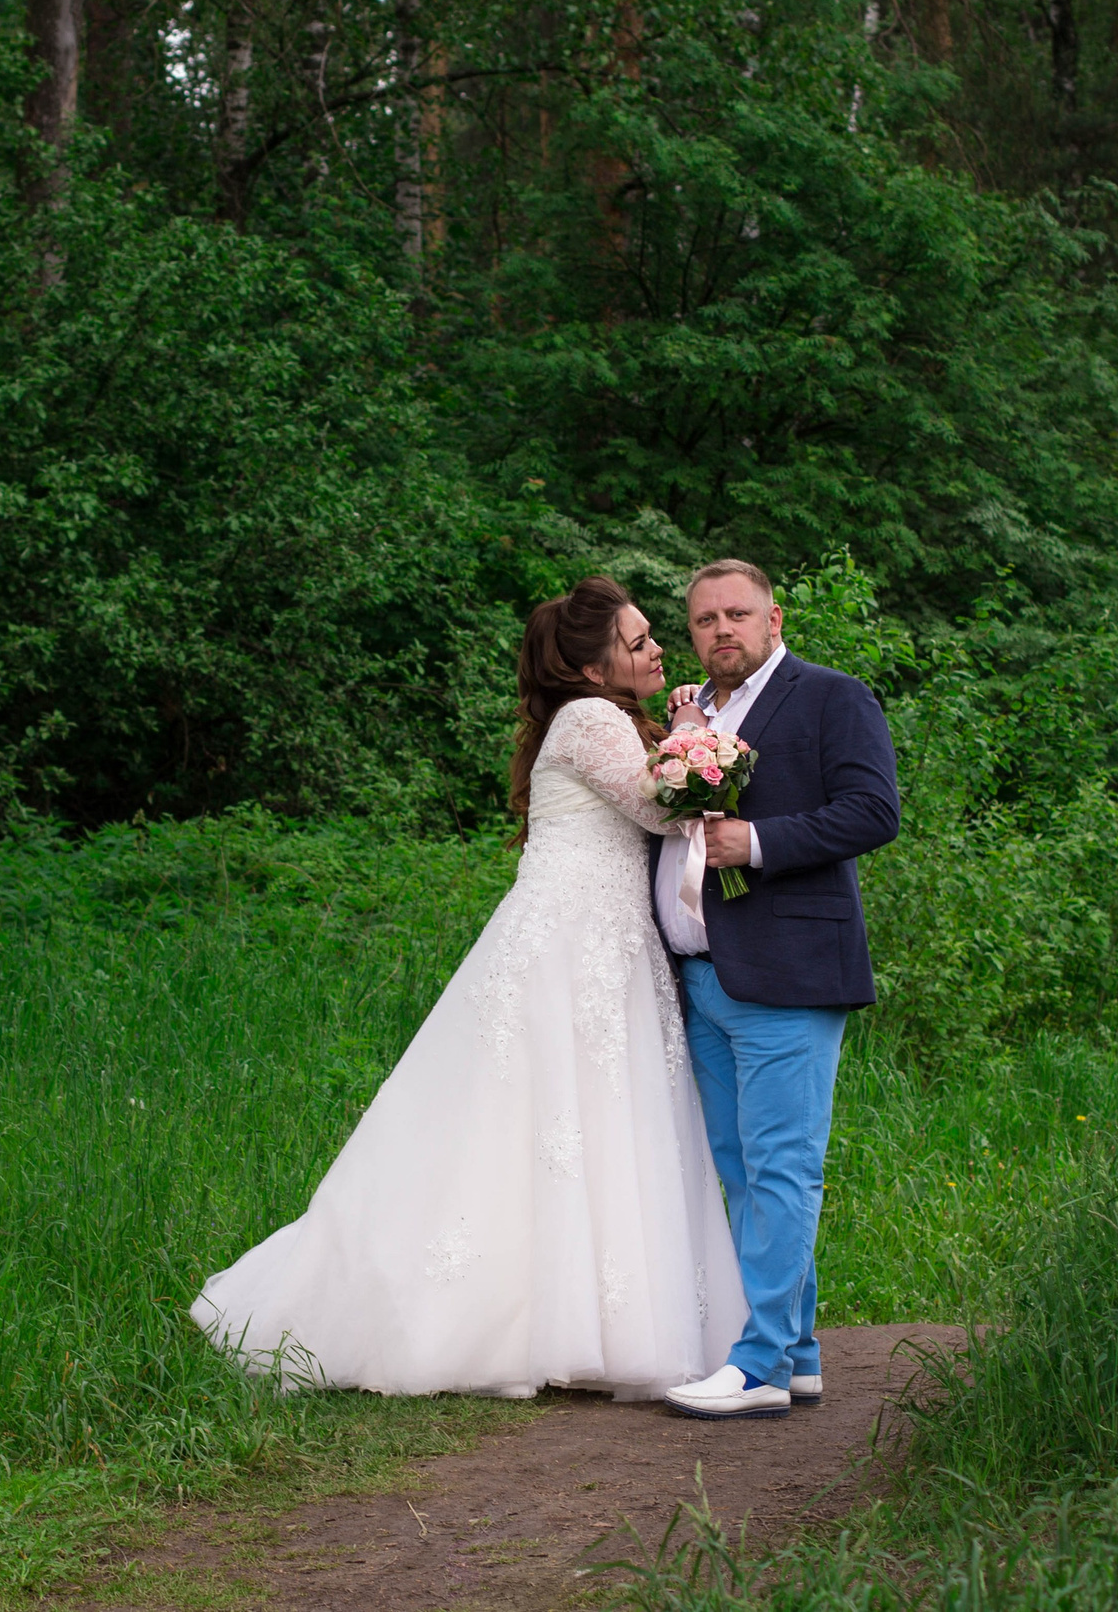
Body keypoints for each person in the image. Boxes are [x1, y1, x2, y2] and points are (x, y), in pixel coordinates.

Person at [191, 576, 742, 1399]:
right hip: (571, 944)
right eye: (637, 641)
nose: (658, 646)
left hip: (601, 942)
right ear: (593, 671)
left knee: (568, 1124)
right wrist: (701, 733)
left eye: (651, 633)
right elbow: (666, 809)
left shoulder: (604, 716)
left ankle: (585, 1317)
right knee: (554, 1119)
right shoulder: (592, 719)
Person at [653, 560, 900, 1420]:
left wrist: (754, 843)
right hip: (704, 975)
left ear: (773, 616)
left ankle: (756, 1366)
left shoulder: (832, 696)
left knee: (784, 1169)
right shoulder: (698, 714)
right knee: (743, 1171)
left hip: (791, 972)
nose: (721, 629)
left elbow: (873, 811)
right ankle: (795, 1353)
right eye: (703, 619)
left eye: (737, 614)